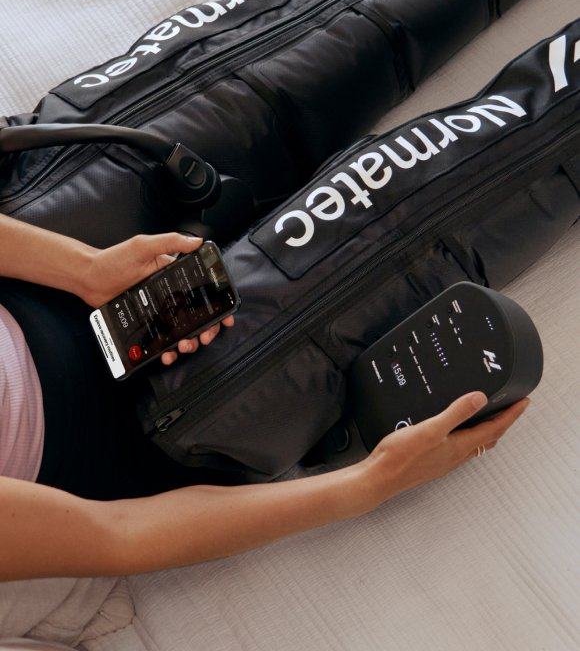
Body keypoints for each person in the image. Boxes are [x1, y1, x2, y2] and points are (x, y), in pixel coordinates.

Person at [0, 213, 529, 582]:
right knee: (443, 215)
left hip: (50, 275)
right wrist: (369, 483)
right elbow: (117, 537)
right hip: (134, 429)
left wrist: (85, 268)